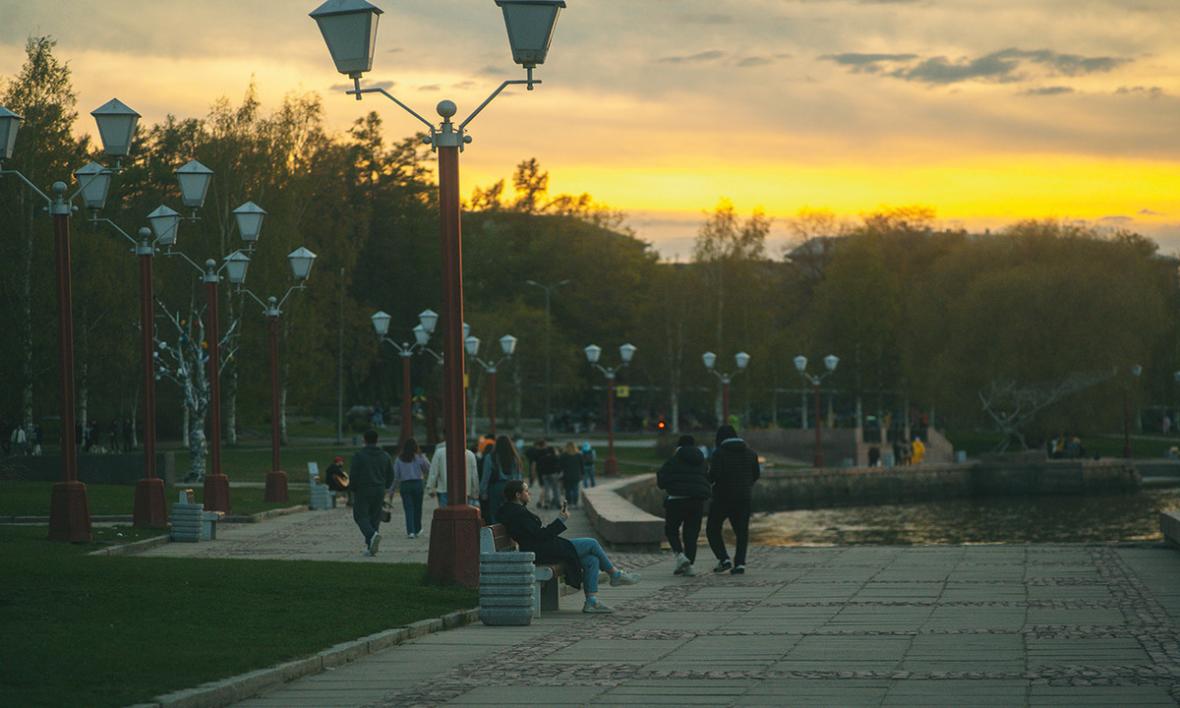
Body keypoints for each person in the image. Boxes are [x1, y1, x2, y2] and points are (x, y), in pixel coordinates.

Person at [497, 480, 639, 613]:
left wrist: (560, 520)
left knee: (591, 560)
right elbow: (540, 535)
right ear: (517, 495)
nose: (529, 494)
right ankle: (615, 574)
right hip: (540, 551)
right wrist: (561, 520)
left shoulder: (514, 511)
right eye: (526, 491)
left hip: (541, 548)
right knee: (592, 543)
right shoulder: (517, 514)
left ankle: (591, 601)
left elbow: (537, 534)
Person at [705, 424, 760, 575]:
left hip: (722, 497)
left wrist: (707, 477)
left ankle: (724, 559)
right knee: (742, 531)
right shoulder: (751, 453)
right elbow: (756, 474)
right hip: (743, 497)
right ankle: (740, 563)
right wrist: (746, 484)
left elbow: (713, 476)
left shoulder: (719, 453)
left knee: (712, 529)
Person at [657, 434, 711, 576]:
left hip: (676, 500)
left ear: (678, 446)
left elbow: (662, 481)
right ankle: (689, 566)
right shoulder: (702, 461)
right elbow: (708, 478)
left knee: (671, 530)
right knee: (691, 534)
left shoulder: (673, 460)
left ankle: (680, 556)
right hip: (696, 501)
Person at [350, 429, 394, 556]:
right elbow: (391, 474)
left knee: (360, 516)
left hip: (363, 489)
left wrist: (352, 488)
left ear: (364, 440)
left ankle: (371, 535)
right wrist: (385, 486)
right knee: (375, 517)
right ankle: (371, 547)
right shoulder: (385, 456)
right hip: (379, 489)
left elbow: (354, 474)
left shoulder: (359, 456)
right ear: (377, 440)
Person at [481, 435, 524, 524]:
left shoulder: (490, 457)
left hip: (495, 487)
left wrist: (483, 491)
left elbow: (486, 476)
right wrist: (520, 490)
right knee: (511, 512)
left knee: (494, 512)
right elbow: (518, 475)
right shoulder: (515, 457)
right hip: (512, 486)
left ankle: (496, 533)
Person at [427, 438, 480, 508]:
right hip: (465, 490)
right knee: (464, 515)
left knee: (445, 515)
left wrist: (431, 488)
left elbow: (434, 472)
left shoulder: (439, 453)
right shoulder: (470, 454)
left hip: (444, 489)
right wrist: (475, 492)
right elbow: (474, 475)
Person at [393, 439, 429, 538]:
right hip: (418, 484)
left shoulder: (399, 459)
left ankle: (411, 531)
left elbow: (395, 476)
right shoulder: (420, 457)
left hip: (405, 485)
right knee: (418, 508)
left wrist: (391, 490)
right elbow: (428, 468)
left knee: (408, 508)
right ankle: (418, 528)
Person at [558, 441, 584, 508]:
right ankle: (575, 503)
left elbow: (560, 466)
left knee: (568, 490)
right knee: (575, 489)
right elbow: (582, 466)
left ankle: (569, 503)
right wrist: (582, 473)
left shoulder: (564, 455)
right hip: (576, 475)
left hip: (567, 475)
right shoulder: (579, 455)